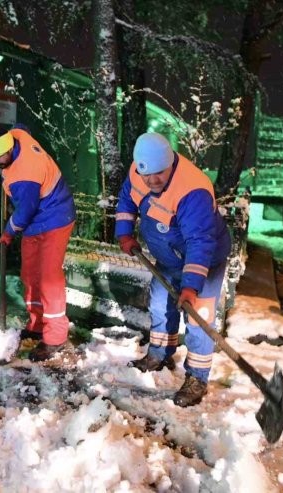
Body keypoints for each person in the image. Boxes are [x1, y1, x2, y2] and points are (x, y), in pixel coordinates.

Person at [115, 132, 231, 407]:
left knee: (199, 319)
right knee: (158, 303)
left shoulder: (193, 191)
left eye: (159, 174)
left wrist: (191, 286)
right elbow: (127, 200)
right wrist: (124, 232)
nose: (152, 181)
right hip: (168, 256)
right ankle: (159, 352)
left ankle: (197, 378)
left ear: (171, 164)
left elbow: (200, 242)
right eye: (147, 175)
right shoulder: (137, 171)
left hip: (204, 261)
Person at [0, 124, 76, 361]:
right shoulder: (17, 136)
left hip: (56, 217)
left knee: (49, 277)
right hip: (36, 221)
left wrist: (8, 232)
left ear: (9, 148)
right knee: (30, 274)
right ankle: (37, 323)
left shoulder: (25, 175)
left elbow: (26, 210)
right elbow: (23, 128)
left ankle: (55, 338)